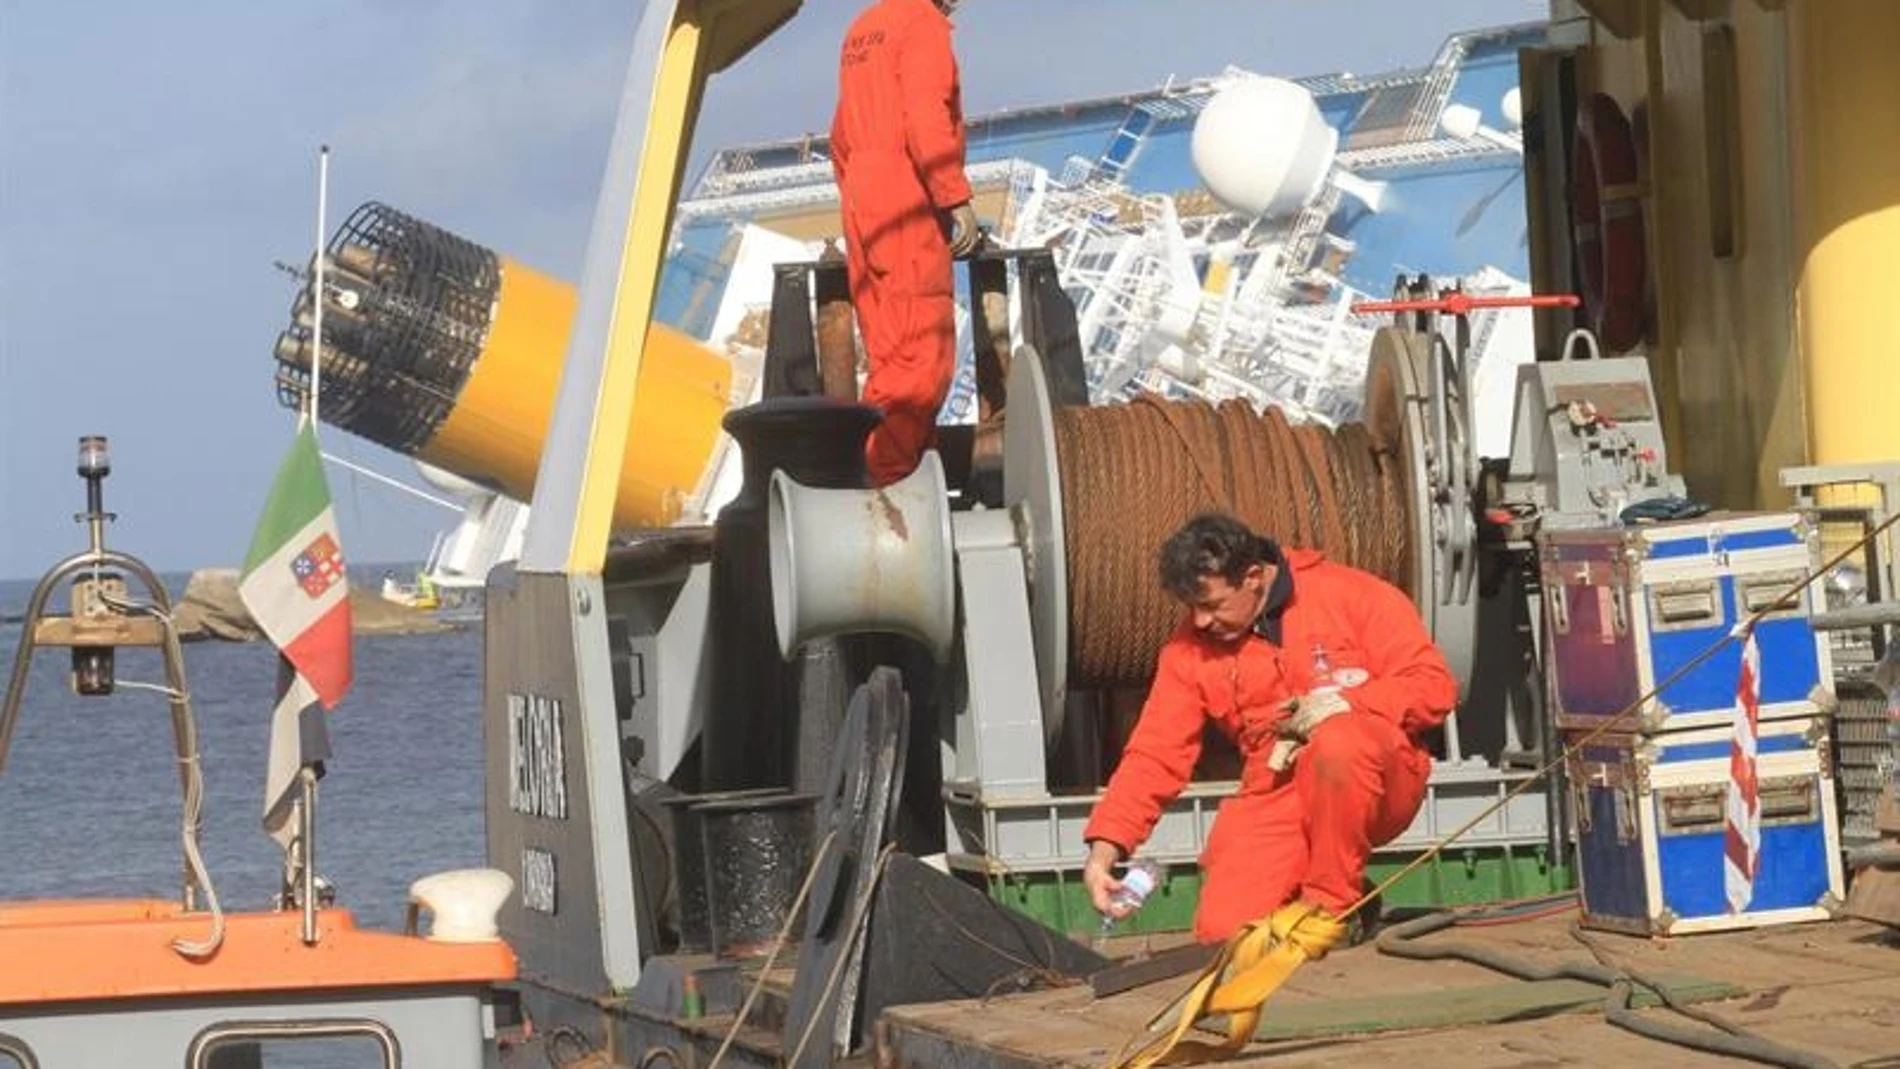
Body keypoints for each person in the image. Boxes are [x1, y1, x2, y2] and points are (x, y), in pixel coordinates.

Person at [1080, 512, 1458, 946]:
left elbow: (1435, 688)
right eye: (1192, 608)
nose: (1200, 622)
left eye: (1212, 605)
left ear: (1254, 577)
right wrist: (1105, 849)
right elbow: (1155, 754)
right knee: (1224, 932)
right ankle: (1350, 901)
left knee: (1338, 742)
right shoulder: (1189, 652)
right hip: (1278, 785)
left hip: (1378, 776)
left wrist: (1346, 705)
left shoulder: (1355, 595)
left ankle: (1330, 906)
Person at [831, 0, 982, 487]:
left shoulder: (864, 27)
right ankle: (887, 487)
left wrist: (860, 195)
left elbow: (841, 135)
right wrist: (953, 197)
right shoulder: (921, 23)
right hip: (905, 199)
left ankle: (910, 475)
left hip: (864, 198)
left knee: (889, 352)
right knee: (920, 357)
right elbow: (924, 116)